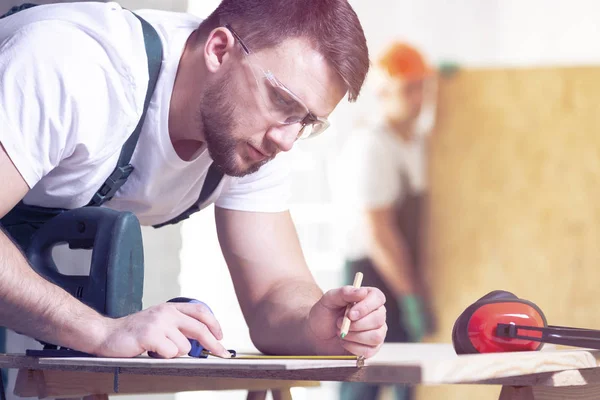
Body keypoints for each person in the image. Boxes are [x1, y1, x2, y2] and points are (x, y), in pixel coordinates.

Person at [0, 0, 388, 362]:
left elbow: (274, 290)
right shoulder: (76, 66)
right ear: (219, 50)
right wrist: (100, 332)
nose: (287, 141)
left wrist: (314, 327)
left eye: (306, 121)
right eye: (283, 102)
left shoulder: (256, 137)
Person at [333, 42, 438, 400]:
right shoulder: (371, 146)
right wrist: (410, 296)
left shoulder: (413, 142)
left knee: (405, 385)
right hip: (371, 277)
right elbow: (379, 234)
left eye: (422, 86)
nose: (417, 97)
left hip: (400, 275)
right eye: (408, 88)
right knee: (363, 380)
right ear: (383, 92)